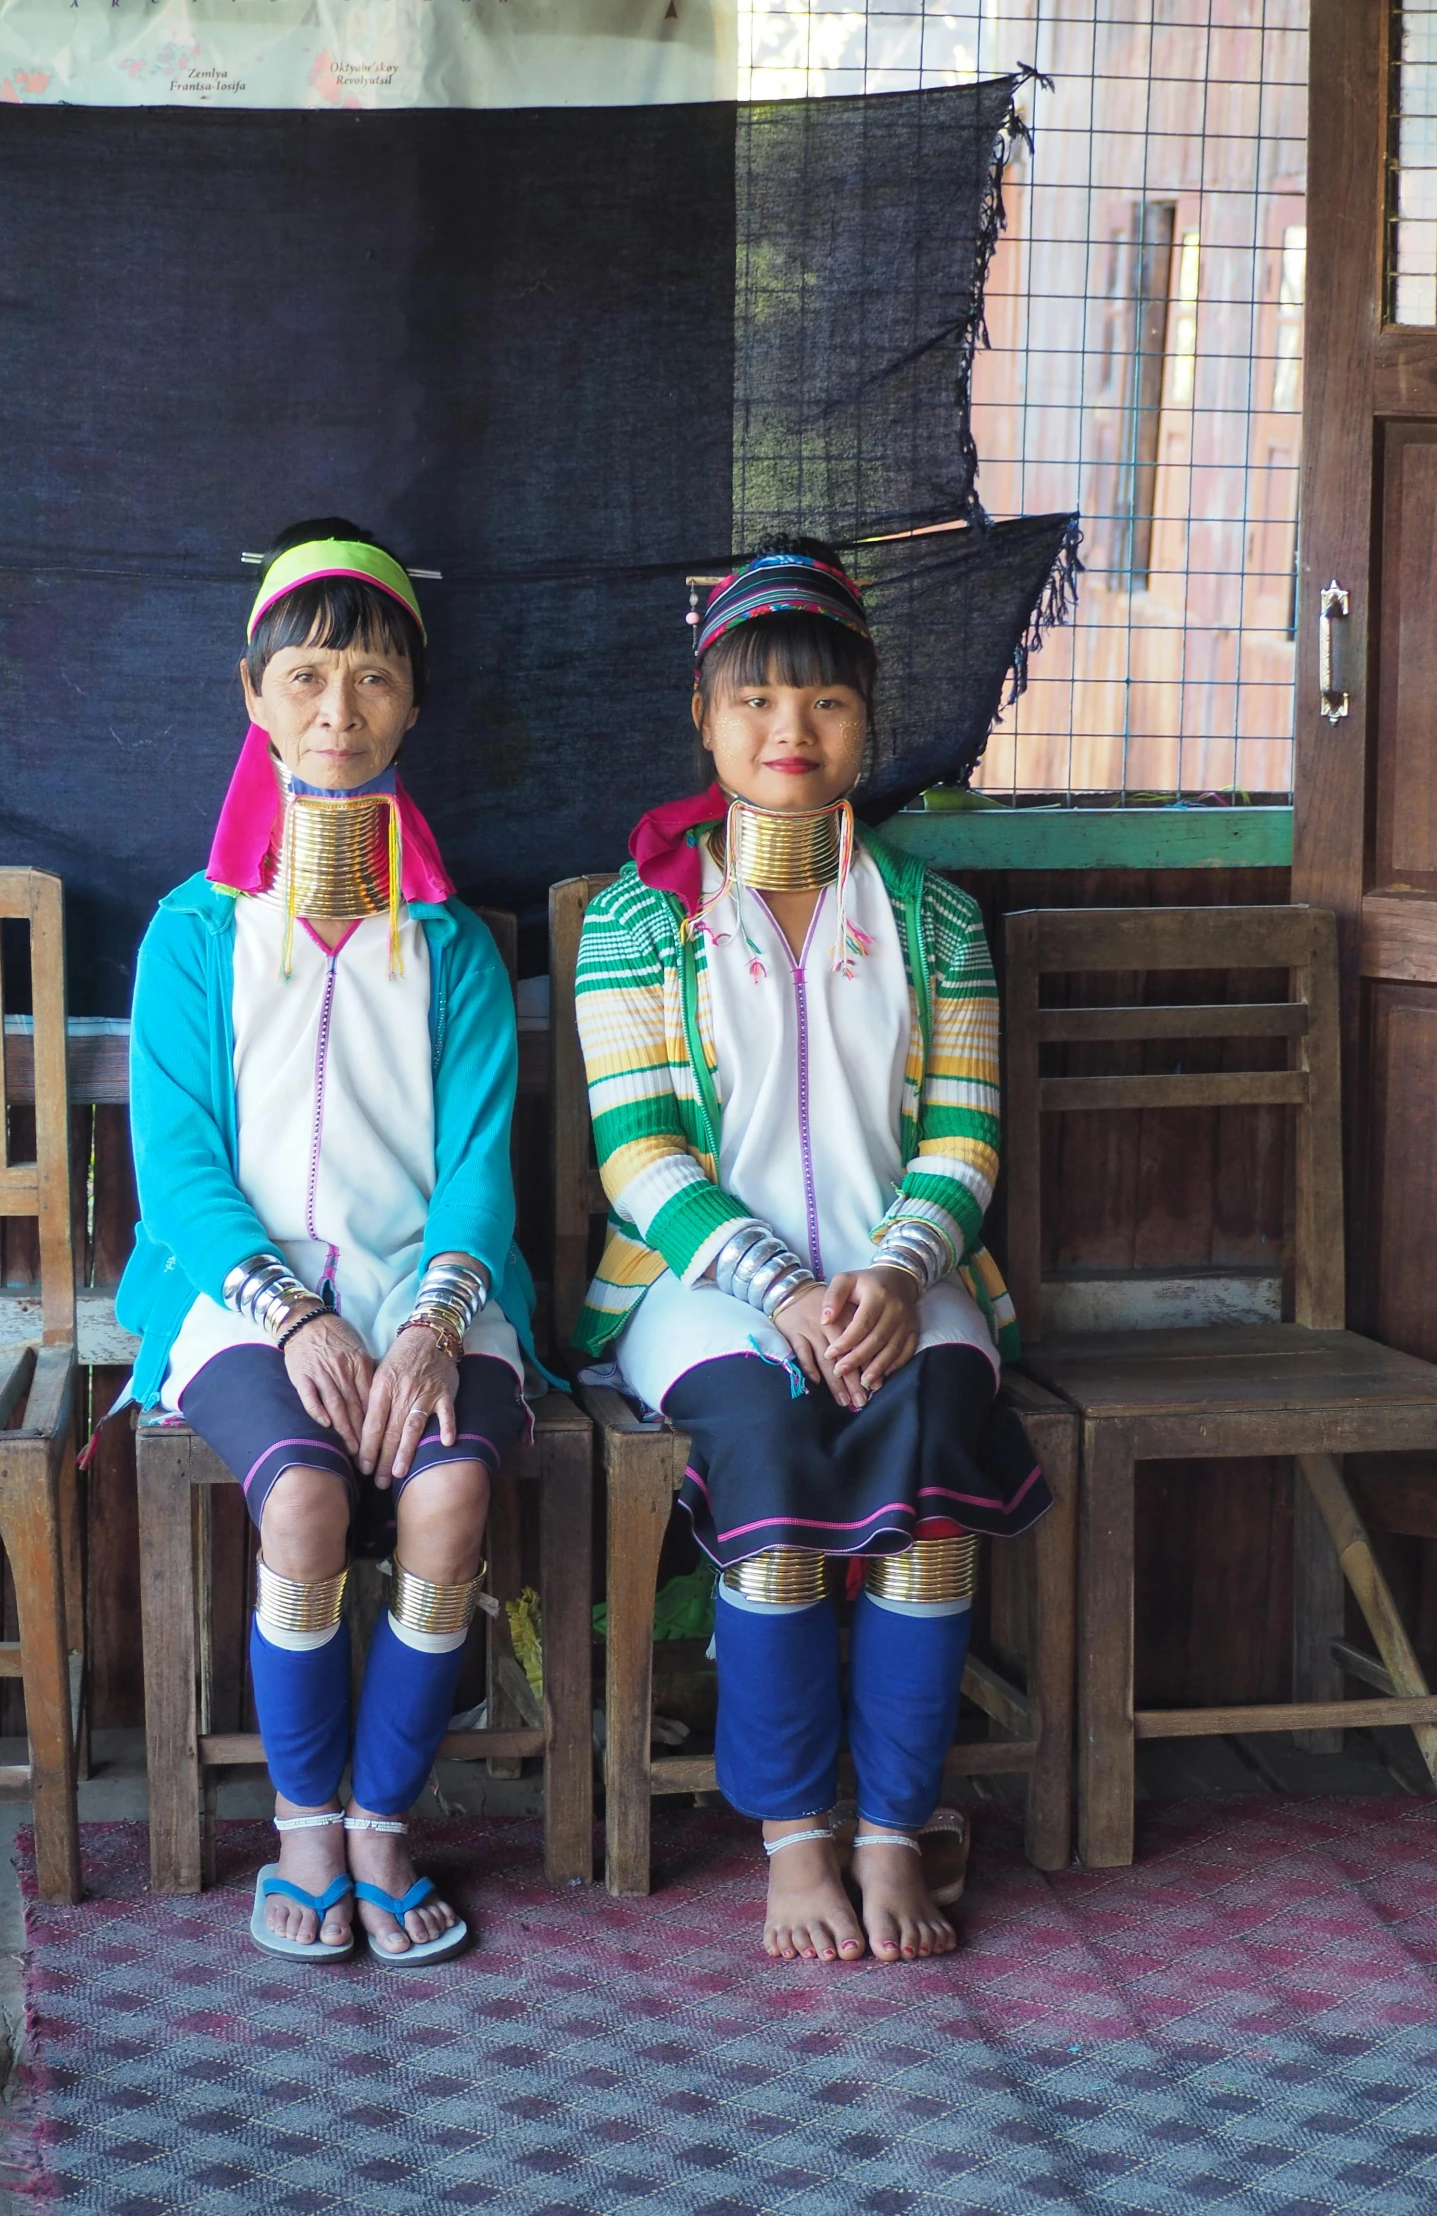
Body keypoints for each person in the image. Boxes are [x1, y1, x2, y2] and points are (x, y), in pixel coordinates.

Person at [574, 538, 1049, 1967]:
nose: (790, 733)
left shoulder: (935, 921)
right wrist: (780, 1290)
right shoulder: (637, 923)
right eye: (756, 703)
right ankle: (793, 1842)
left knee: (935, 1467)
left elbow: (962, 1142)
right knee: (766, 1461)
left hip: (918, 1284)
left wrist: (900, 1276)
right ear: (704, 722)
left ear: (869, 722)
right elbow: (640, 1154)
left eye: (826, 704)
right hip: (699, 1296)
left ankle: (893, 1829)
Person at [117, 519, 537, 1967]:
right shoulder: (193, 935)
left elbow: (480, 1167)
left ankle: (380, 1815)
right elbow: (174, 1170)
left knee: (446, 1502)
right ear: (254, 698)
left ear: (413, 703)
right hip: (241, 1305)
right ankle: (305, 1822)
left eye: (369, 681)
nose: (337, 714)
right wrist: (296, 1319)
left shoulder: (455, 945)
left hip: (437, 1304)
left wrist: (427, 1326)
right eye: (304, 678)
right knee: (299, 1505)